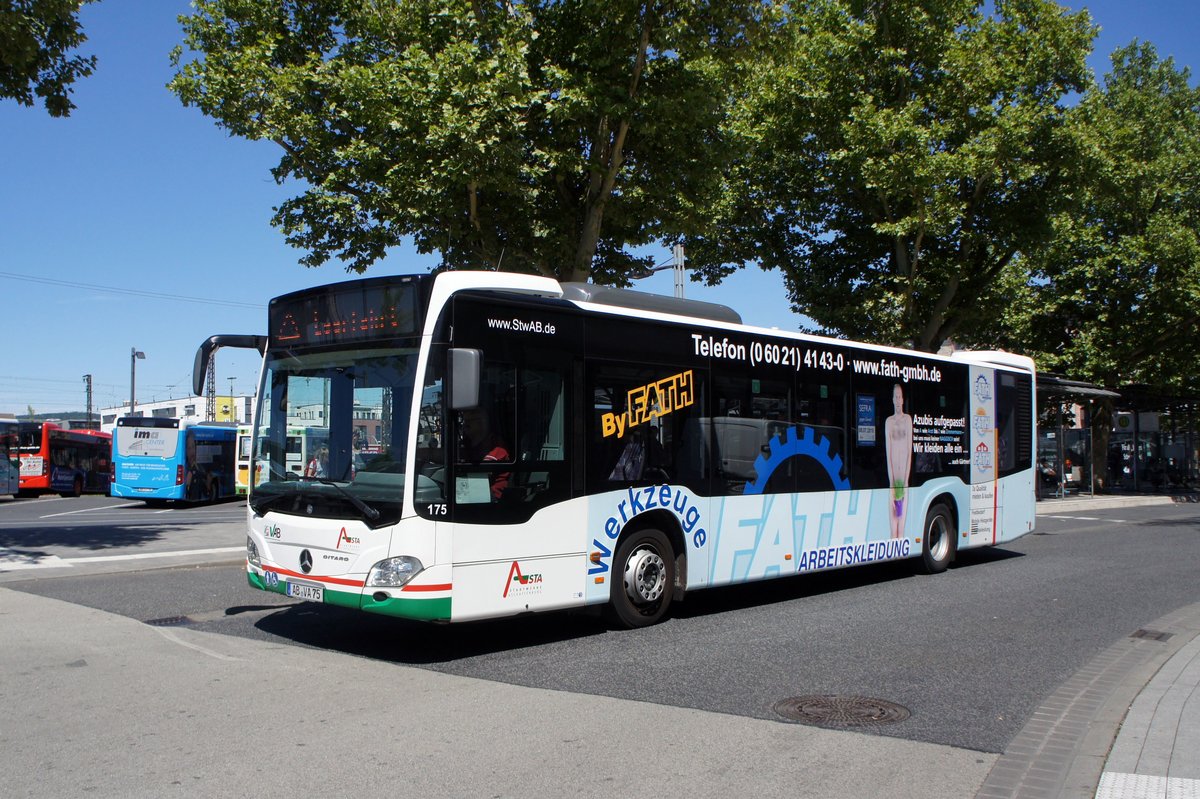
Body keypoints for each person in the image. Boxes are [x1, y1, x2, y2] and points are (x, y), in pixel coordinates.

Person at [459, 407, 511, 501]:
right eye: (465, 422)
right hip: (477, 491)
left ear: (482, 423)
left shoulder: (496, 446)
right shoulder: (472, 444)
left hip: (492, 498)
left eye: (469, 422)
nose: (465, 425)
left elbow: (480, 472)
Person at [884, 383, 913, 539]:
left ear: (902, 400)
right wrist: (892, 482)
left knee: (901, 525)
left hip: (904, 480)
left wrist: (906, 480)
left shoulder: (907, 420)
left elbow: (909, 450)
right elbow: (888, 453)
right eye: (895, 396)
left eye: (899, 396)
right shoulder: (888, 422)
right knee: (893, 525)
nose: (897, 399)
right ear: (892, 399)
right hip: (894, 480)